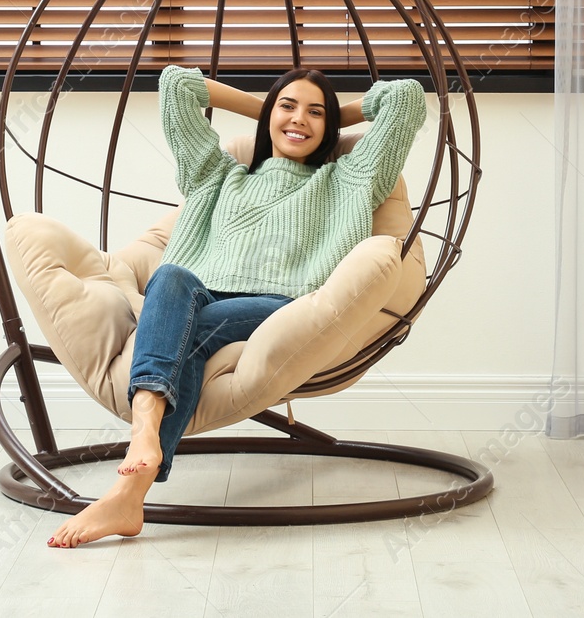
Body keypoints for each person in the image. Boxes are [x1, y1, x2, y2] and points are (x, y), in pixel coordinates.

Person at [47, 63, 427, 548]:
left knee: (190, 328)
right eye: (288, 107)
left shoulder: (350, 179)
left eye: (316, 114)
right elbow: (177, 84)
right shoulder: (216, 173)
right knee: (170, 277)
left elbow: (406, 98)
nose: (300, 120)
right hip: (194, 299)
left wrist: (330, 114)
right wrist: (269, 108)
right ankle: (137, 461)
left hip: (276, 306)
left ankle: (131, 475)